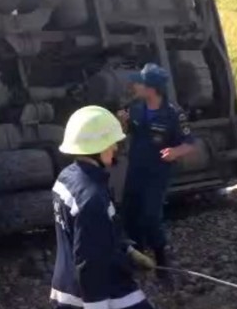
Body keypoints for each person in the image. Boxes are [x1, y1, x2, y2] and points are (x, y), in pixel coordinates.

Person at [50, 105, 158, 309]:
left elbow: (99, 232)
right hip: (100, 293)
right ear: (96, 147)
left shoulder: (67, 178)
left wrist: (128, 250)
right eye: (111, 143)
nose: (116, 148)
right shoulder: (92, 197)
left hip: (68, 288)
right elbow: (89, 262)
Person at [117, 63, 195, 281]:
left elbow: (190, 143)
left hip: (157, 174)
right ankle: (137, 257)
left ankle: (162, 263)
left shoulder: (173, 114)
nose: (135, 85)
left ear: (152, 88)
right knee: (130, 214)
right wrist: (122, 123)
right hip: (135, 170)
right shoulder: (135, 107)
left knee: (151, 216)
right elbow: (125, 133)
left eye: (139, 83)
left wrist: (175, 151)